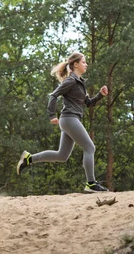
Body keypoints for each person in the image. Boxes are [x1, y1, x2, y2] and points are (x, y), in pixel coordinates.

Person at [16, 52, 109, 193]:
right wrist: (52, 115)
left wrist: (100, 95)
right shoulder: (70, 81)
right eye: (83, 62)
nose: (86, 64)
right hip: (69, 119)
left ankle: (28, 159)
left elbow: (88, 104)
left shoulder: (80, 83)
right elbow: (53, 95)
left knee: (62, 156)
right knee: (90, 148)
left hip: (71, 120)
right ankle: (91, 183)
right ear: (75, 64)